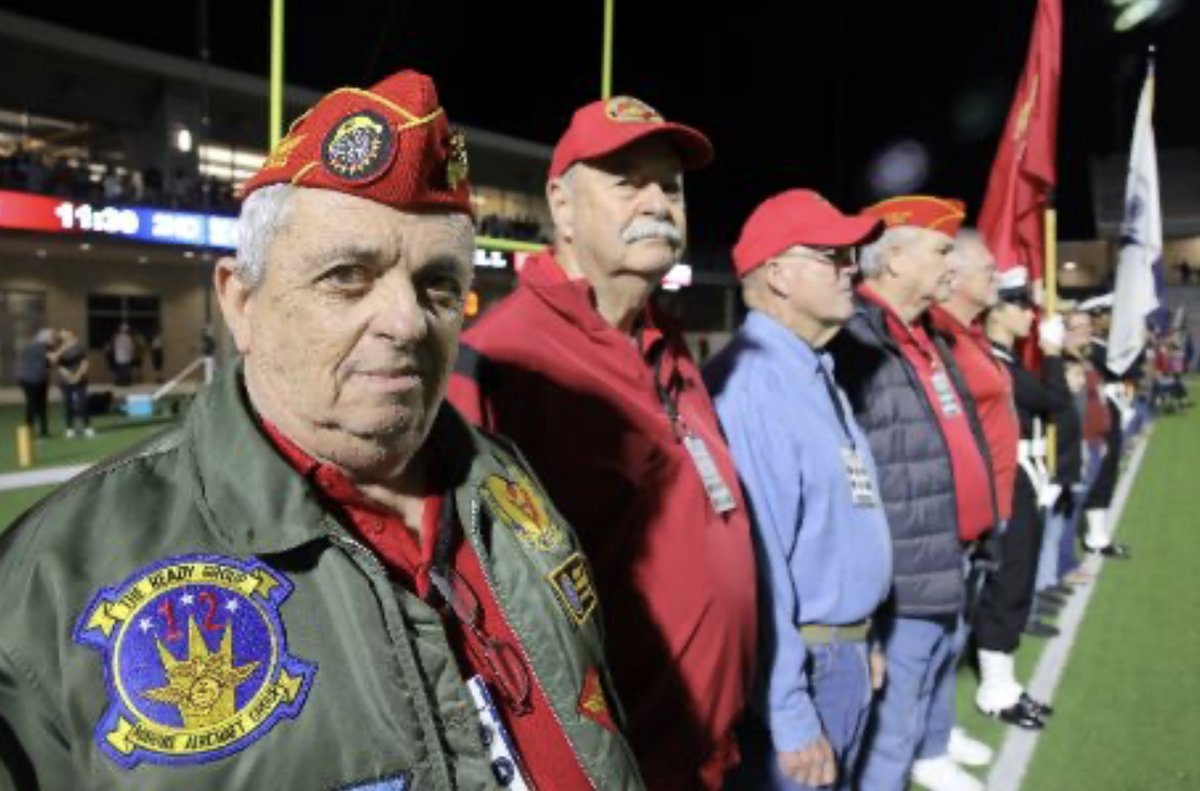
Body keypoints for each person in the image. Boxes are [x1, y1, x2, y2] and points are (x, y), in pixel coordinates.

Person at [0, 71, 642, 791]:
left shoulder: (505, 477)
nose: (406, 322)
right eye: (346, 275)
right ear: (240, 302)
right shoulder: (50, 576)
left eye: (436, 284)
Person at [449, 96, 757, 788]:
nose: (658, 201)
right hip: (620, 764)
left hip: (712, 745)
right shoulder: (503, 358)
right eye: (628, 181)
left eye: (671, 186)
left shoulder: (667, 341)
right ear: (561, 204)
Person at [705, 190, 891, 790]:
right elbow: (758, 568)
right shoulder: (754, 385)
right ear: (779, 275)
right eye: (833, 254)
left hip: (841, 652)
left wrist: (864, 638)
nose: (852, 268)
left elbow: (837, 524)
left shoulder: (812, 370)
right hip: (805, 667)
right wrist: (787, 708)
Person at [827, 195, 991, 791]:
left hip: (948, 553)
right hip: (906, 573)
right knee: (889, 733)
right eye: (941, 250)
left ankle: (933, 753)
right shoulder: (855, 337)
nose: (952, 264)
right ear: (892, 260)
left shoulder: (919, 334)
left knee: (926, 690)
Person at [972, 267, 1069, 727]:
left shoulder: (1005, 361)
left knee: (1020, 578)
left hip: (1025, 477)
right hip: (1007, 481)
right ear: (998, 310)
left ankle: (1005, 682)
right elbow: (1054, 399)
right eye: (1023, 305)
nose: (1031, 315)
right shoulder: (994, 363)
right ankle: (994, 689)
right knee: (1007, 582)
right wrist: (1052, 354)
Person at [1078, 296, 1132, 558]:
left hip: (1112, 407)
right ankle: (1094, 535)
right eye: (1108, 315)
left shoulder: (1105, 346)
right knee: (1098, 472)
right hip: (1097, 412)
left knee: (1107, 470)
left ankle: (1097, 534)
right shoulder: (1093, 349)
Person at [54, 328, 94, 438]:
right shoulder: (59, 348)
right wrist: (68, 375)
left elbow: (84, 362)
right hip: (65, 380)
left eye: (66, 334)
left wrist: (78, 375)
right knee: (68, 404)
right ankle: (70, 428)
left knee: (83, 403)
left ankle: (87, 427)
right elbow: (56, 363)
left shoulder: (79, 347)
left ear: (71, 335)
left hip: (80, 378)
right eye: (62, 335)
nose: (64, 336)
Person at [16, 328, 56, 438]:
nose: (53, 340)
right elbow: (52, 359)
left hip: (37, 379)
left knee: (40, 405)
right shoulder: (38, 347)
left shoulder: (39, 347)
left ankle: (42, 430)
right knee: (32, 406)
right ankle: (29, 431)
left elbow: (48, 363)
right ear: (45, 338)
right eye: (51, 338)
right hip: (32, 380)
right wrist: (64, 348)